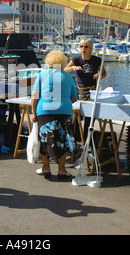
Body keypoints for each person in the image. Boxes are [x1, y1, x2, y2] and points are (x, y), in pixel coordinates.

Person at [32, 50, 78, 181]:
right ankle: (62, 170)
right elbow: (74, 98)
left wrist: (33, 113)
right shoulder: (68, 77)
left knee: (45, 139)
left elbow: (34, 97)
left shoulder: (42, 75)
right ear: (63, 62)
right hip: (64, 111)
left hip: (45, 111)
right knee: (62, 140)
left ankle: (46, 168)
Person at [64, 37, 106, 139]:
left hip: (92, 91)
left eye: (86, 47)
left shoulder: (96, 60)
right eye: (81, 46)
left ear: (90, 48)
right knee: (77, 117)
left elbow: (104, 73)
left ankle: (88, 139)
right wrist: (72, 67)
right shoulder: (76, 59)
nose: (83, 49)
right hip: (80, 91)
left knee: (89, 118)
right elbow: (65, 70)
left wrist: (98, 75)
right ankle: (76, 138)